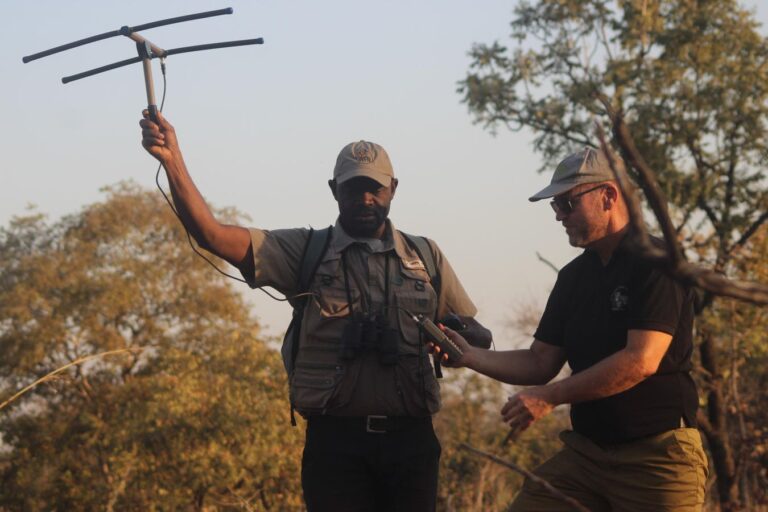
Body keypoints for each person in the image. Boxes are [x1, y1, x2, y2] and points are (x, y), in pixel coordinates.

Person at [139, 111, 491, 511]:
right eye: (353, 189)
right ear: (333, 190)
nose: (365, 199)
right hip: (336, 446)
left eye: (375, 189)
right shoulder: (305, 252)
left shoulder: (424, 255)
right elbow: (212, 234)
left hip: (411, 444)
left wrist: (458, 343)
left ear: (393, 189)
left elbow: (480, 337)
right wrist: (173, 160)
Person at [435, 147, 708, 511]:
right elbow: (539, 362)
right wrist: (469, 356)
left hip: (658, 456)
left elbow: (641, 360)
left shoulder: (656, 262)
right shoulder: (573, 278)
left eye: (567, 203)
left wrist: (549, 397)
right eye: (555, 207)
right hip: (586, 455)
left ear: (608, 195)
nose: (559, 216)